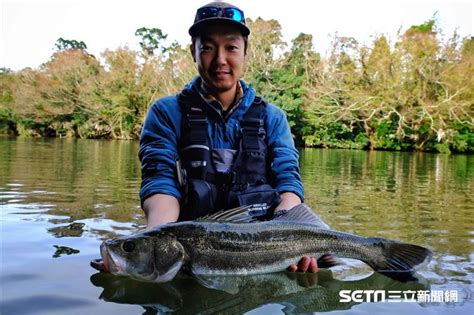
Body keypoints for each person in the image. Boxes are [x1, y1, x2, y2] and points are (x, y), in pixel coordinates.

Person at [139, 1, 317, 273]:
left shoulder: (273, 118)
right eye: (208, 48)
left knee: (321, 257)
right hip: (192, 249)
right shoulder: (166, 113)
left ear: (246, 52)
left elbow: (288, 182)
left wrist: (293, 237)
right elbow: (160, 180)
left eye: (231, 47)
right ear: (193, 53)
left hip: (264, 247)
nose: (220, 59)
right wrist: (151, 247)